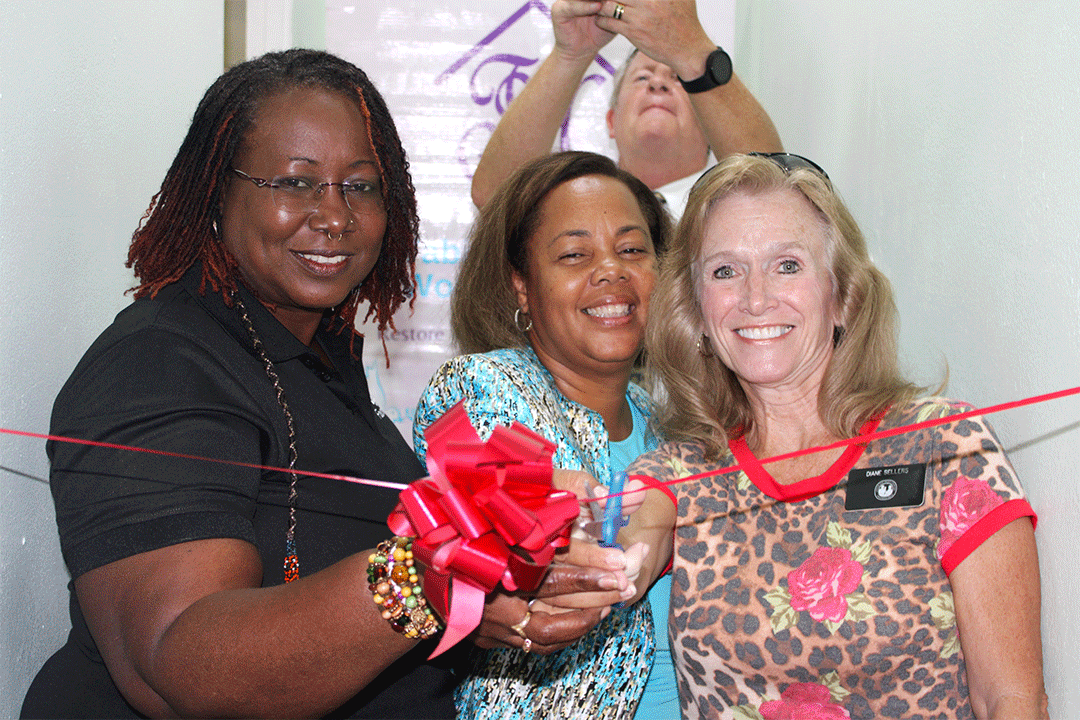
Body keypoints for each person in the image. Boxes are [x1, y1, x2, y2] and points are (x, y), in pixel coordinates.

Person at [21, 50, 625, 720]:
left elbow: (352, 602)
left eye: (361, 186)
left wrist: (486, 604)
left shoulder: (317, 360)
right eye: (294, 183)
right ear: (217, 192)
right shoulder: (156, 362)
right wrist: (432, 567)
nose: (334, 215)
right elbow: (178, 661)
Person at [623, 152, 1048, 719]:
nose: (755, 298)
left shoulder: (947, 448)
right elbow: (616, 562)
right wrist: (551, 529)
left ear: (842, 295)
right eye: (725, 271)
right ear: (696, 314)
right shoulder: (676, 476)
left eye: (788, 265)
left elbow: (1012, 700)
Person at [413, 151, 678, 718]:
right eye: (575, 254)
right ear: (522, 286)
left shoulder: (674, 423)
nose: (612, 271)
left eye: (633, 249)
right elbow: (498, 535)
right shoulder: (484, 386)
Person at [470, 0, 782, 211]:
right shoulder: (577, 201)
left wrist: (691, 49)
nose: (657, 84)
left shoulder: (733, 209)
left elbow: (777, 189)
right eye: (642, 77)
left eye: (677, 79)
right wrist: (571, 54)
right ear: (610, 121)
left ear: (710, 123)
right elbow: (495, 198)